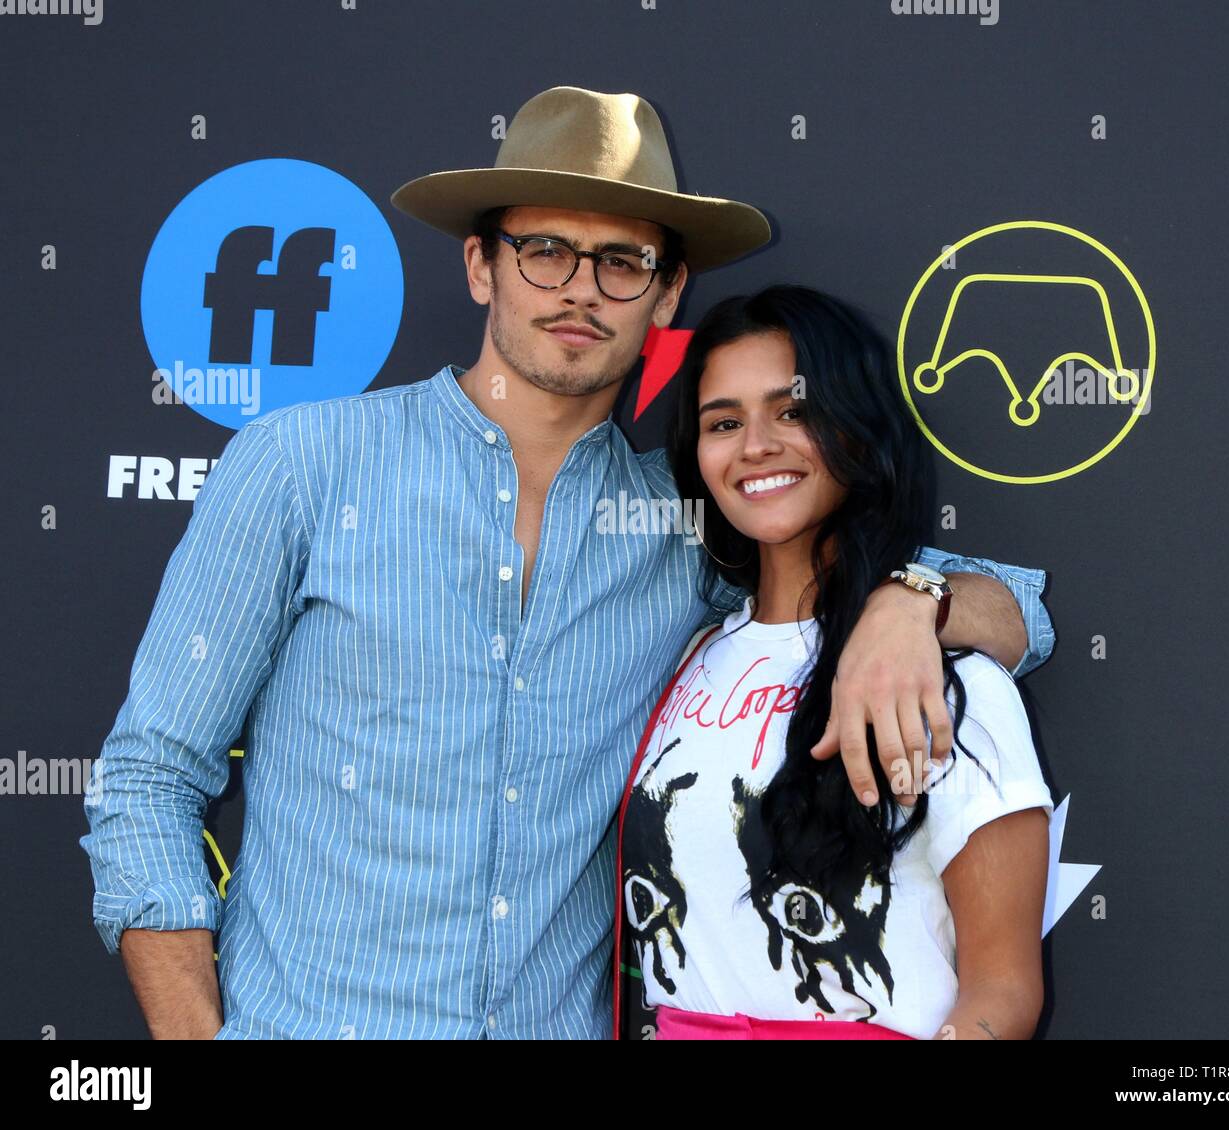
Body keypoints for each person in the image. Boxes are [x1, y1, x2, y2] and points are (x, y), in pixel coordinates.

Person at [80, 86, 1054, 1039]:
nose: (581, 288)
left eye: (622, 260)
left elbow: (1020, 612)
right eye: (544, 250)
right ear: (479, 266)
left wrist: (907, 600)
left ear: (667, 293)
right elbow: (147, 777)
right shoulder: (300, 465)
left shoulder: (690, 526)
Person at [614, 285, 1052, 1040]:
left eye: (793, 411)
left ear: (856, 428)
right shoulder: (686, 660)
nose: (756, 445)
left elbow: (1003, 994)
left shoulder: (952, 680)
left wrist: (913, 601)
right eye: (725, 422)